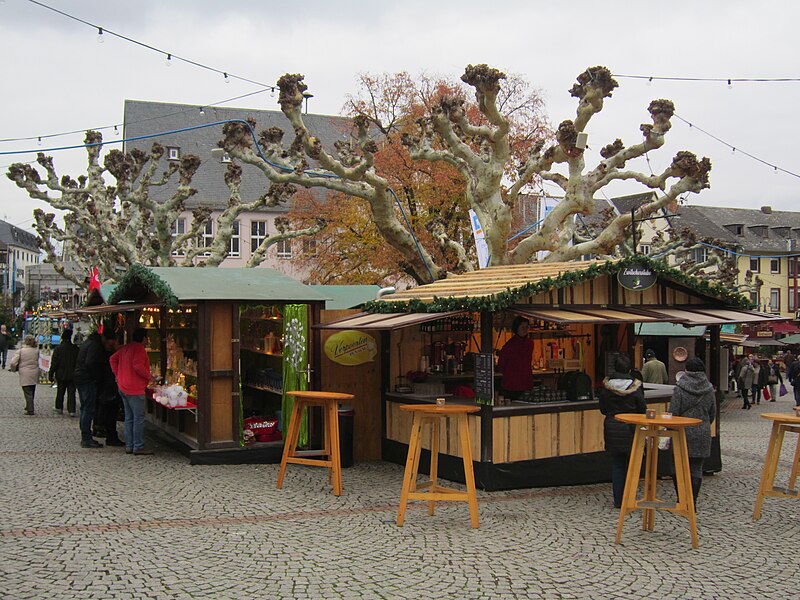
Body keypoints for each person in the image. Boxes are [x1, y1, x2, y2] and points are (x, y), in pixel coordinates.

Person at [598, 353, 647, 509]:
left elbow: (603, 409)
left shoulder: (607, 387)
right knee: (633, 463)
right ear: (629, 369)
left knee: (618, 465)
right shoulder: (636, 387)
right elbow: (642, 408)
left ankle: (619, 500)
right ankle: (630, 497)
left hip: (612, 426)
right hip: (631, 427)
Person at [669, 357, 715, 508]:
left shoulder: (680, 388)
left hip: (682, 432)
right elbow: (712, 413)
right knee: (696, 467)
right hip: (702, 431)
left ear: (686, 370)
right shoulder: (709, 389)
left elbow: (674, 412)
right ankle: (692, 502)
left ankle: (681, 499)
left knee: (678, 466)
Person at [110, 328, 154, 456]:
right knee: (138, 418)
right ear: (144, 338)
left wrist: (118, 375)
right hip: (135, 389)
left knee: (129, 418)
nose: (147, 340)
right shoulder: (139, 349)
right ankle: (138, 446)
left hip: (123, 387)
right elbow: (138, 365)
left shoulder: (126, 348)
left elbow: (112, 359)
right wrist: (149, 377)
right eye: (147, 338)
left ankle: (129, 445)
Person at [74, 328, 118, 448]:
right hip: (87, 379)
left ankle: (86, 436)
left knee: (85, 408)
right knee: (88, 408)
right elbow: (90, 363)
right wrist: (97, 378)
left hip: (81, 378)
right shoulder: (95, 346)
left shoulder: (89, 343)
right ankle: (86, 438)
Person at [496, 316, 534, 400]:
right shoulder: (510, 345)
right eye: (522, 327)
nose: (525, 329)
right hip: (512, 384)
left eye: (527, 327)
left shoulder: (530, 343)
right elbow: (501, 364)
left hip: (525, 382)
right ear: (516, 328)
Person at [49, 328, 79, 416]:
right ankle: (71, 410)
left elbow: (54, 363)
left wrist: (51, 374)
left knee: (60, 392)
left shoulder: (58, 349)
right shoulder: (75, 349)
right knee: (71, 393)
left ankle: (59, 407)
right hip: (72, 374)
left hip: (61, 374)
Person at [8, 335, 40, 416]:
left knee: (27, 391)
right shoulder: (36, 350)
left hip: (25, 372)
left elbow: (13, 362)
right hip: (35, 372)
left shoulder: (21, 351)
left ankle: (30, 409)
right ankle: (29, 405)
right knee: (32, 390)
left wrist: (13, 369)